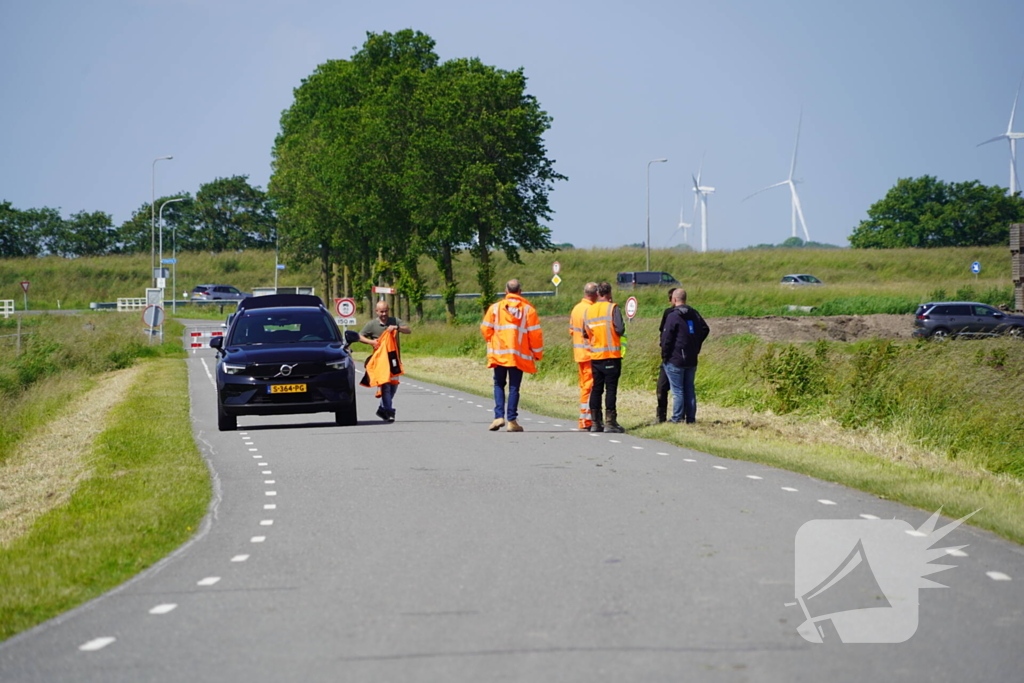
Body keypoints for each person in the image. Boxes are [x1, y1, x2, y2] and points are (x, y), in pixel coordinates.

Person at [481, 279, 544, 432]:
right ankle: (512, 421)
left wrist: (492, 340)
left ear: (506, 291)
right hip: (518, 355)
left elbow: (485, 329)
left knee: (499, 384)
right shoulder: (529, 310)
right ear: (520, 291)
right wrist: (537, 353)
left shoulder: (495, 308)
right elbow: (535, 334)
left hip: (499, 354)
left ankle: (498, 417)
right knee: (514, 387)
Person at [660, 288, 710, 424]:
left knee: (678, 391)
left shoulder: (673, 315)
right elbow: (705, 329)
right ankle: (691, 418)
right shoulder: (694, 313)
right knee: (689, 389)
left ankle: (676, 418)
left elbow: (666, 338)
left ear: (674, 299)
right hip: (691, 357)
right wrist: (695, 344)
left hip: (675, 358)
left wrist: (665, 355)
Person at [357, 300, 411, 422]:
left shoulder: (394, 321)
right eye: (381, 311)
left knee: (393, 387)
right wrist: (372, 342)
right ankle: (389, 411)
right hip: (381, 362)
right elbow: (359, 336)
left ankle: (382, 408)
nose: (384, 314)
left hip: (393, 360)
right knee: (385, 386)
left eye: (386, 311)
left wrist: (397, 328)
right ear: (376, 311)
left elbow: (408, 330)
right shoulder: (371, 325)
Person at [583, 281, 626, 433]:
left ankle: (595, 423)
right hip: (611, 355)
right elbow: (620, 329)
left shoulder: (589, 310)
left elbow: (584, 333)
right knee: (611, 389)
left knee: (596, 389)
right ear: (609, 293)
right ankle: (610, 423)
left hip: (596, 356)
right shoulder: (612, 308)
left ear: (597, 293)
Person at [569, 282, 598, 430]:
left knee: (584, 386)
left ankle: (585, 418)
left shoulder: (576, 309)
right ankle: (585, 420)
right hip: (589, 354)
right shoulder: (591, 310)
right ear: (596, 294)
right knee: (589, 387)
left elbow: (572, 331)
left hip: (579, 353)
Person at [655, 287, 678, 423]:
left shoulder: (671, 313)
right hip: (671, 355)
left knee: (668, 388)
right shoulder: (668, 313)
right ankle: (661, 415)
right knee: (663, 387)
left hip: (671, 356)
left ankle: (674, 416)